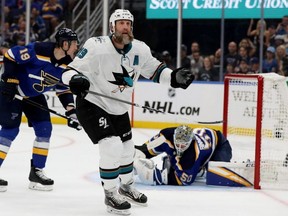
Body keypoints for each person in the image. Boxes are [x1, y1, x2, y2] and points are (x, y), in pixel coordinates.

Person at [61, 9, 194, 215]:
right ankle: (110, 193)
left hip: (118, 107)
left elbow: (156, 71)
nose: (125, 27)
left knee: (127, 149)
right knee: (111, 145)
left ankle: (126, 186)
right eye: (121, 23)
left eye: (128, 23)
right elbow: (70, 70)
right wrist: (74, 80)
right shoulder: (96, 46)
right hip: (92, 103)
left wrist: (175, 77)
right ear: (112, 26)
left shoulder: (140, 49)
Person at [0, 28, 81, 192]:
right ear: (64, 44)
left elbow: (63, 88)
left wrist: (71, 109)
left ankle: (36, 171)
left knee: (45, 129)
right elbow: (10, 56)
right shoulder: (39, 50)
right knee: (10, 130)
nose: (76, 48)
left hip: (34, 96)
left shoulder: (68, 64)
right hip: (12, 91)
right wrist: (10, 79)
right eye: (74, 44)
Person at [133, 125, 232, 186]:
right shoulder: (165, 137)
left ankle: (200, 170)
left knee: (218, 175)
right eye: (178, 143)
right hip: (203, 144)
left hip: (219, 146)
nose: (179, 147)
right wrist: (134, 156)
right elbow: (147, 149)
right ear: (174, 137)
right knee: (176, 166)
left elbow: (185, 180)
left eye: (183, 144)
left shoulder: (193, 153)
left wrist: (155, 177)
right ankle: (197, 169)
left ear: (190, 141)